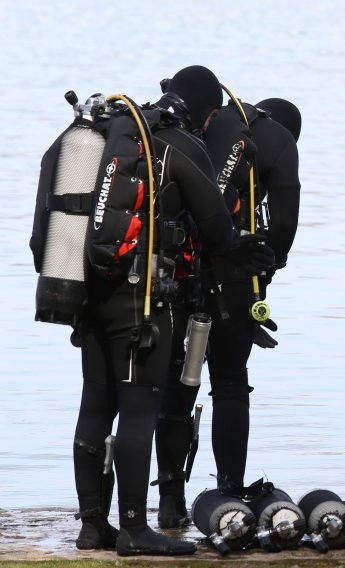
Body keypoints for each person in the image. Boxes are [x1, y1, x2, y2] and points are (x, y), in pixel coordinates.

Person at [31, 64, 272, 557]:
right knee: (140, 409)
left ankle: (93, 527)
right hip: (142, 302)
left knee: (95, 407)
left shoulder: (94, 133)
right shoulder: (174, 144)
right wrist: (241, 250)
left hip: (85, 293)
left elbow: (42, 233)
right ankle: (137, 528)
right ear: (205, 114)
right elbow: (214, 225)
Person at [154, 95, 301, 527]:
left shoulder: (209, 124)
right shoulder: (279, 140)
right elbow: (286, 222)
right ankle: (229, 492)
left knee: (177, 384)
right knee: (231, 382)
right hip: (237, 274)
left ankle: (169, 502)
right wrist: (266, 267)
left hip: (182, 268)